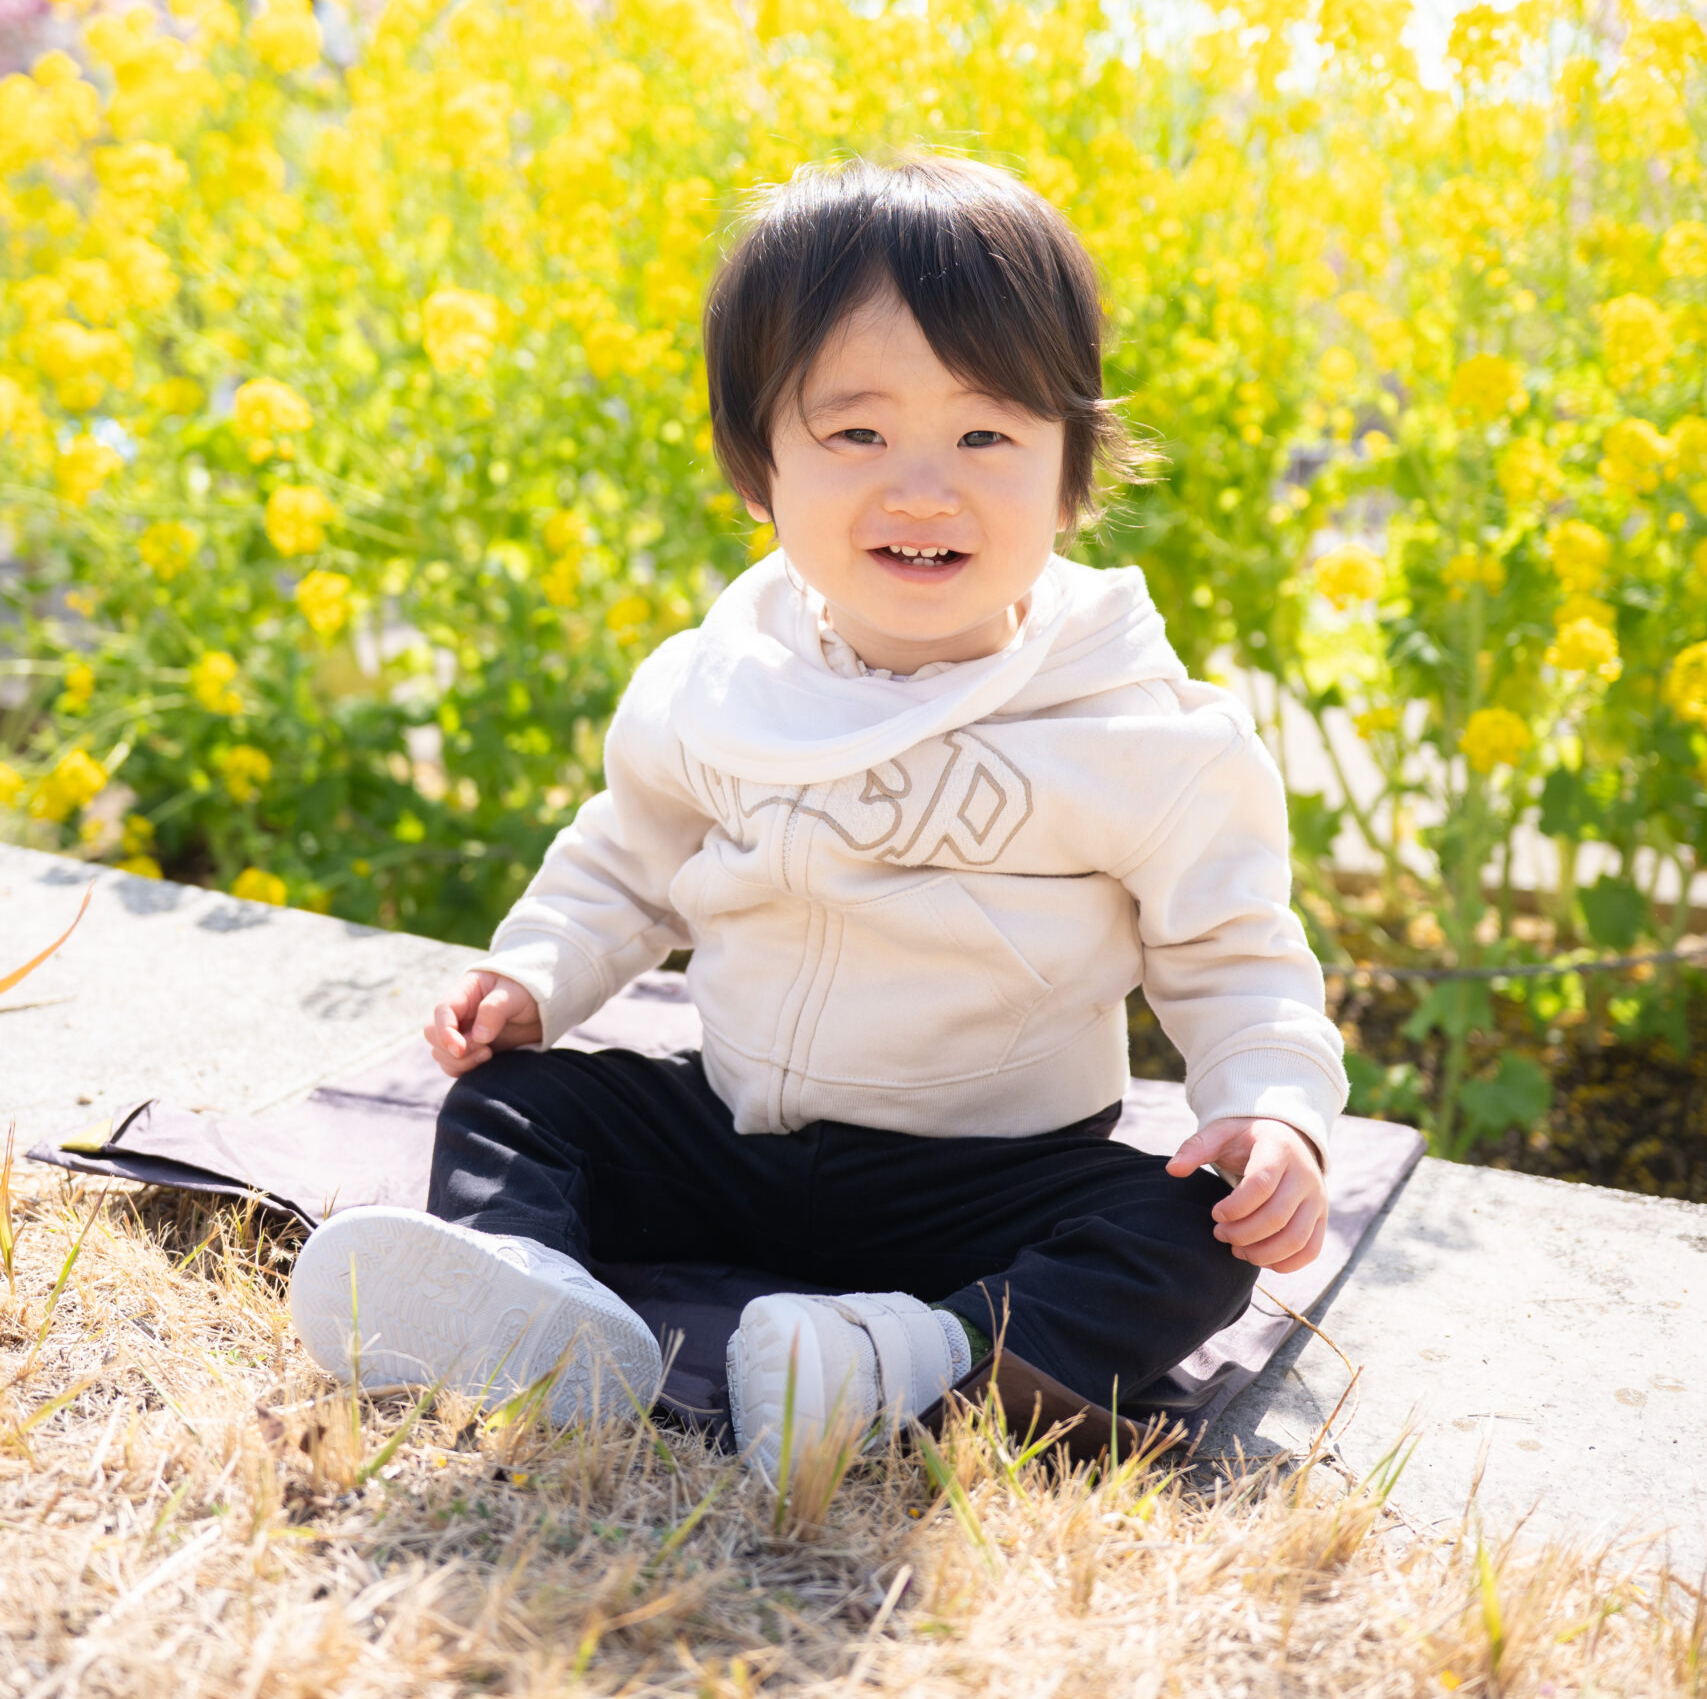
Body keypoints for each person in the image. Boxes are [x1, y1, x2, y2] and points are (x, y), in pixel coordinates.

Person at [290, 158, 1346, 1477]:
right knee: (519, 1105)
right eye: (857, 436)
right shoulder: (719, 682)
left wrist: (1272, 1110)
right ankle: (530, 1307)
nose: (923, 490)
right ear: (759, 470)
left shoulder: (1143, 733)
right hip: (736, 1139)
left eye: (986, 437)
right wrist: (536, 971)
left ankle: (915, 1360)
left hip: (991, 1181)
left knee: (1189, 1235)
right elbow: (627, 857)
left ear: (1073, 475)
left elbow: (1238, 954)